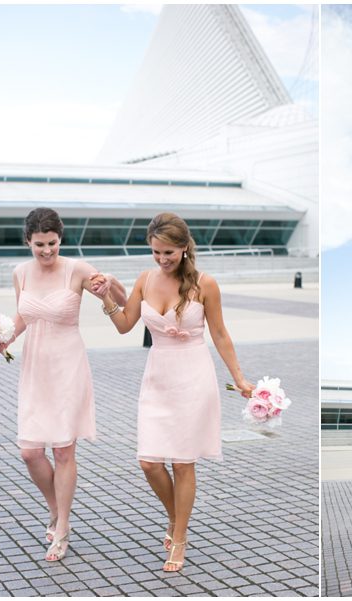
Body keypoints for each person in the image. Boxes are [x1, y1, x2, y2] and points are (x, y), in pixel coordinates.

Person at [95, 212, 253, 571]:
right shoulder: (145, 279)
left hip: (194, 376)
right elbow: (124, 325)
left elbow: (221, 334)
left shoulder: (205, 284)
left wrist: (240, 379)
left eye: (169, 253)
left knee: (183, 463)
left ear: (184, 248)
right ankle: (176, 517)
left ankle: (179, 538)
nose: (162, 260)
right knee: (149, 462)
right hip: (158, 377)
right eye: (156, 252)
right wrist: (105, 298)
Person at [0, 207, 126, 562]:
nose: (47, 251)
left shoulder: (78, 269)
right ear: (28, 241)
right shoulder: (20, 273)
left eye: (52, 243)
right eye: (40, 245)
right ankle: (55, 509)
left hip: (68, 364)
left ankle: (62, 527)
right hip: (35, 366)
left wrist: (109, 285)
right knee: (30, 451)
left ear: (60, 239)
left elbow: (124, 303)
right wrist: (3, 338)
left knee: (64, 450)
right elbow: (23, 316)